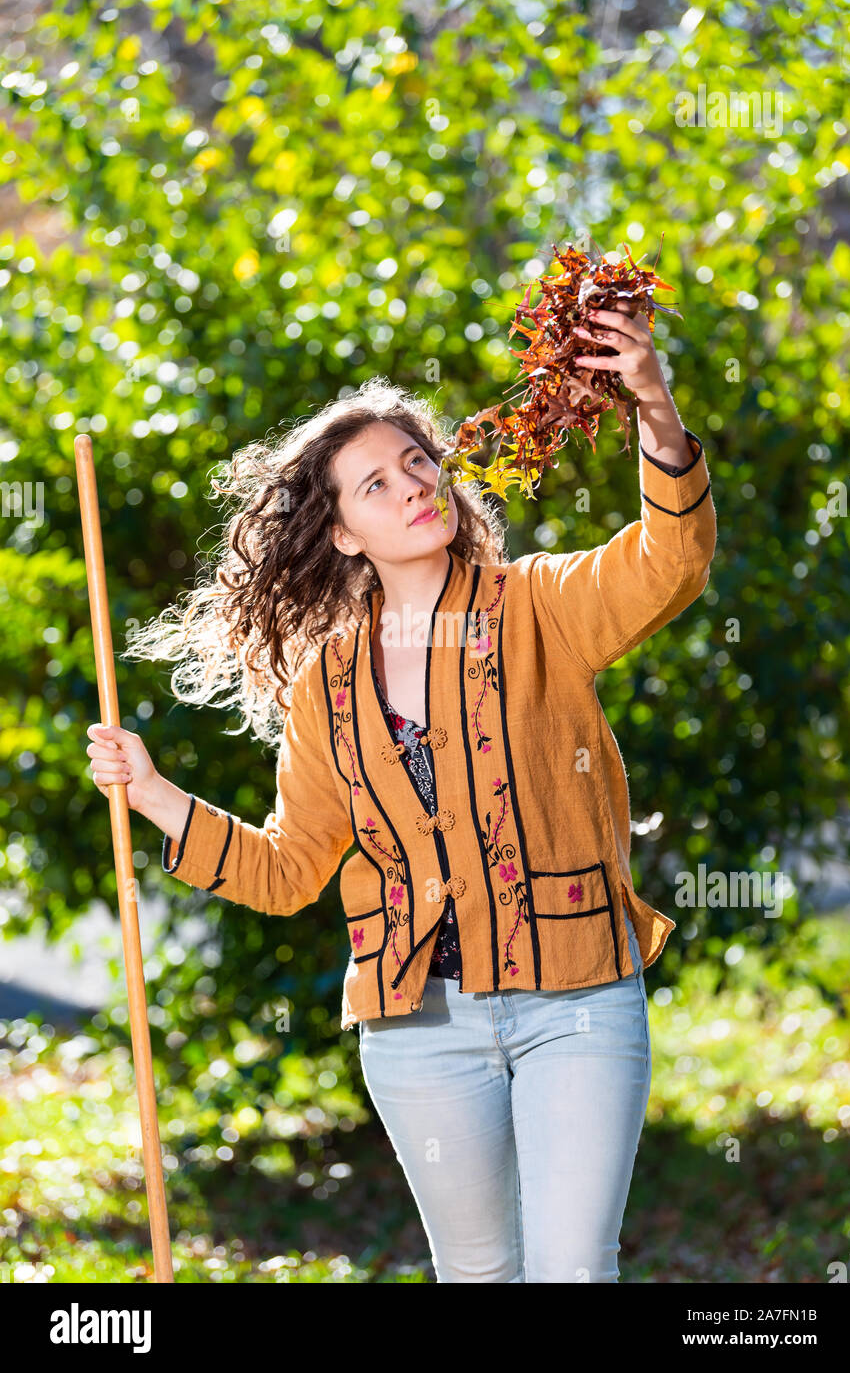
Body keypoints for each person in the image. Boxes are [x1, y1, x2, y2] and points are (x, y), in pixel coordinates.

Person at [85, 301, 717, 1281]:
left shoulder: (540, 607)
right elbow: (290, 870)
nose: (412, 485)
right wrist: (156, 793)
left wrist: (651, 402)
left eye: (417, 461)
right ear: (340, 533)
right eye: (374, 483)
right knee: (476, 1275)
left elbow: (671, 561)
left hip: (579, 998)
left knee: (572, 1268)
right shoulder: (326, 686)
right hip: (418, 1024)